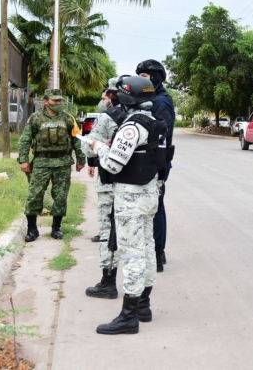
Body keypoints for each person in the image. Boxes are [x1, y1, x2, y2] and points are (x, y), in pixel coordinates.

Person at [87, 75, 168, 335]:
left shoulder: (132, 126)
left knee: (132, 254)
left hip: (130, 199)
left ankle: (128, 316)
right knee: (146, 250)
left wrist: (99, 147)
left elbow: (112, 164)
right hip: (149, 195)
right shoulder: (156, 122)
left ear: (126, 97)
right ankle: (143, 306)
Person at [18, 89, 85, 242]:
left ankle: (56, 228)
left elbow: (76, 139)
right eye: (55, 101)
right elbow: (25, 140)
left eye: (60, 101)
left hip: (62, 162)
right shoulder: (35, 118)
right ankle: (32, 230)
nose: (58, 103)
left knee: (60, 196)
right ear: (46, 101)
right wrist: (24, 160)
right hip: (41, 162)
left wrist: (81, 160)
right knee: (34, 195)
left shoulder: (68, 118)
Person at [83, 77, 126, 300]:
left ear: (112, 96)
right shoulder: (143, 118)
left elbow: (89, 148)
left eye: (106, 95)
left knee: (110, 234)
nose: (105, 99)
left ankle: (108, 283)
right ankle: (138, 291)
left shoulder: (108, 118)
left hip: (110, 184)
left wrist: (100, 146)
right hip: (136, 186)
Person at [136, 59, 175, 272]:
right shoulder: (151, 99)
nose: (139, 80)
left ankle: (158, 254)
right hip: (151, 159)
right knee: (152, 207)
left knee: (157, 207)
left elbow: (162, 134)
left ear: (155, 77)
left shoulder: (162, 101)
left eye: (144, 76)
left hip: (158, 160)